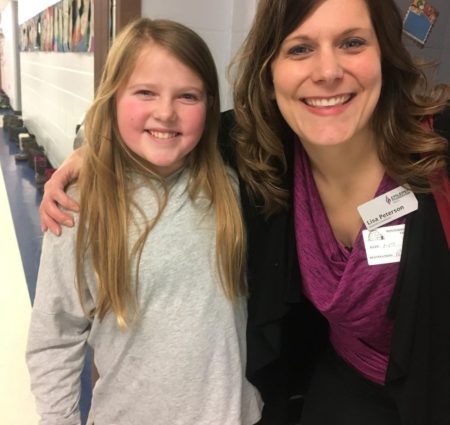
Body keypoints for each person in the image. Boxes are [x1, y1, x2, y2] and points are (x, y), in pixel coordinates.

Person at [39, 0, 450, 424]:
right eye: (300, 49)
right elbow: (170, 136)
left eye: (351, 42)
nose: (327, 71)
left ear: (384, 52)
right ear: (270, 72)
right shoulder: (262, 155)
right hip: (339, 387)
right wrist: (94, 155)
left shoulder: (437, 153)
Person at [26, 17, 263, 425]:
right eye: (145, 93)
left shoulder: (235, 182)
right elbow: (55, 339)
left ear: (209, 104)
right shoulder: (79, 207)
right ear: (113, 97)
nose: (166, 112)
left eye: (187, 96)